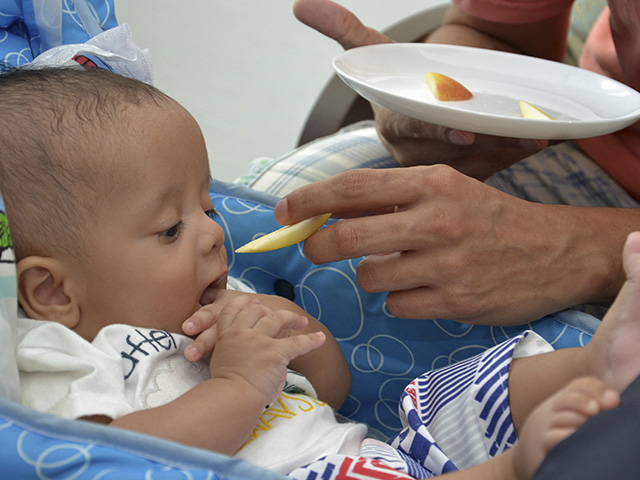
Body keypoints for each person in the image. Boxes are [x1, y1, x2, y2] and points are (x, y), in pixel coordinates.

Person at [0, 65, 635, 480]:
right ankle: (520, 468)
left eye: (207, 207)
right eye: (170, 229)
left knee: (445, 391)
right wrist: (241, 387)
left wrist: (300, 334)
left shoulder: (229, 304)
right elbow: (116, 459)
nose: (214, 232)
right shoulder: (60, 361)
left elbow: (329, 392)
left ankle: (592, 362)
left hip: (377, 456)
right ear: (54, 291)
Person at [279, 0, 640, 327]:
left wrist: (585, 252)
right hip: (591, 149)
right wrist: (439, 104)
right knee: (297, 208)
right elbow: (495, 33)